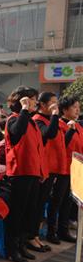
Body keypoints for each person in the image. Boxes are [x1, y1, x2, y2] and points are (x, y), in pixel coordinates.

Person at [3, 86, 46, 262]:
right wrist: (24, 110)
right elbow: (16, 133)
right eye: (33, 99)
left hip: (32, 172)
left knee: (28, 211)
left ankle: (21, 244)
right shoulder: (14, 119)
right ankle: (12, 248)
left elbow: (39, 149)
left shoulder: (31, 122)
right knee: (17, 212)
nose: (36, 102)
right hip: (19, 172)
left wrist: (41, 171)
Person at [32, 92, 66, 249]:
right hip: (42, 168)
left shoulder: (51, 120)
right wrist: (54, 115)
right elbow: (49, 134)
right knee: (37, 204)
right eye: (52, 103)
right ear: (43, 105)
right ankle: (32, 236)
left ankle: (36, 235)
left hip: (53, 168)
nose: (55, 105)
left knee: (42, 203)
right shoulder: (38, 120)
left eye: (56, 102)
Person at [57, 96, 83, 242]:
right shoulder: (60, 125)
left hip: (78, 169)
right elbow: (61, 146)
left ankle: (64, 229)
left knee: (70, 202)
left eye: (78, 107)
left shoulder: (78, 126)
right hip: (64, 168)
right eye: (74, 107)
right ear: (64, 109)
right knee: (59, 201)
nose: (77, 110)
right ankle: (54, 231)